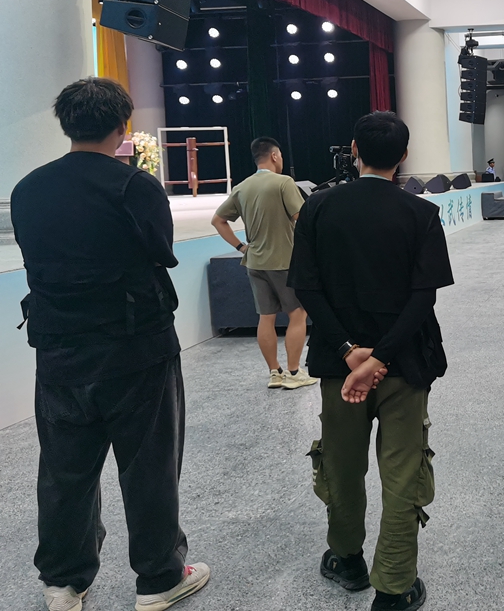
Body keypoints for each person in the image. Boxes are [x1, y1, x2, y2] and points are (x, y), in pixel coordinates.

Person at [11, 78, 209, 611]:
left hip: (58, 350)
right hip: (135, 350)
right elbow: (161, 250)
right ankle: (160, 577)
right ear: (123, 127)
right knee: (149, 467)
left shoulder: (27, 188)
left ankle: (63, 581)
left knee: (64, 471)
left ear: (66, 124)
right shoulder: (134, 185)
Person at [288, 112, 454, 611]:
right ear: (403, 155)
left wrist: (348, 351)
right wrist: (381, 356)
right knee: (403, 473)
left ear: (354, 150)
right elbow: (424, 296)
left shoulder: (318, 207)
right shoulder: (420, 213)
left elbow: (306, 287)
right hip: (405, 364)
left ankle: (347, 559)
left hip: (340, 368)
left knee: (340, 464)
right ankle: (395, 586)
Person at [211, 137, 315, 390]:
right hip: (284, 262)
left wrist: (241, 247)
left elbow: (218, 221)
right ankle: (293, 372)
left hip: (255, 262)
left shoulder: (242, 187)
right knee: (298, 314)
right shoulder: (284, 183)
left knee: (266, 317)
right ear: (275, 156)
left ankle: (274, 373)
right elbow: (302, 218)